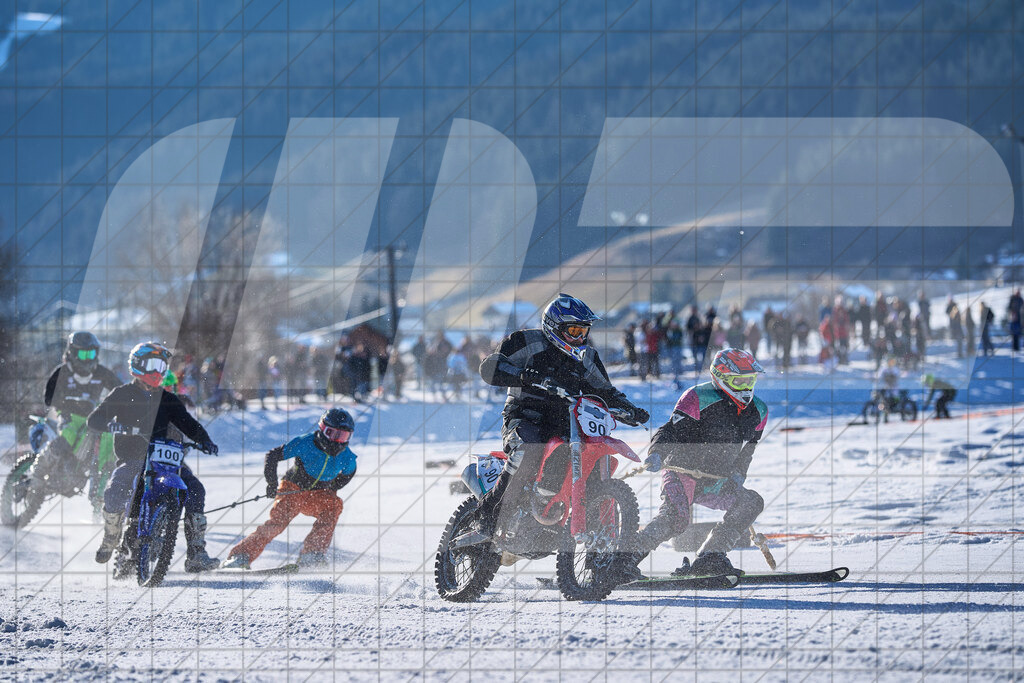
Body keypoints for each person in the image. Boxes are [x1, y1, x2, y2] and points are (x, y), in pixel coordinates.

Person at [469, 293, 649, 541]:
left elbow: (605, 391)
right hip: (525, 416)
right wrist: (525, 376)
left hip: (568, 422)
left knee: (593, 462)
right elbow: (490, 367)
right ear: (554, 326)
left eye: (583, 331)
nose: (580, 338)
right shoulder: (526, 340)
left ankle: (605, 553)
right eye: (574, 331)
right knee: (528, 450)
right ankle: (487, 517)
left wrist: (629, 408)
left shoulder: (588, 357)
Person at [613, 348, 768, 581]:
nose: (746, 387)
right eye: (739, 381)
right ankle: (622, 562)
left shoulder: (759, 411)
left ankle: (711, 557)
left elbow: (748, 451)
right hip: (681, 471)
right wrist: (656, 453)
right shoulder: (697, 397)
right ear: (721, 377)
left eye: (750, 380)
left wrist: (738, 475)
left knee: (751, 502)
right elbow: (670, 430)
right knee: (676, 518)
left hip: (718, 480)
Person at [89, 342, 220, 572]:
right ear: (137, 365)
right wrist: (115, 426)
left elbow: (188, 423)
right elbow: (95, 420)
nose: (158, 371)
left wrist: (205, 440)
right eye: (152, 364)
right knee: (116, 487)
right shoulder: (122, 394)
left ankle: (197, 552)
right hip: (135, 458)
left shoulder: (167, 399)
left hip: (166, 459)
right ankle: (111, 538)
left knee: (195, 489)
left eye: (162, 366)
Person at [222, 408, 357, 569]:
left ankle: (312, 554)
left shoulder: (347, 456)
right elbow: (273, 456)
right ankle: (240, 556)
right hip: (293, 488)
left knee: (334, 505)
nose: (337, 441)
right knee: (278, 523)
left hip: (317, 495)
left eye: (343, 436)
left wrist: (332, 488)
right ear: (322, 429)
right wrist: (272, 484)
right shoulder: (305, 442)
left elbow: (349, 473)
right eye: (333, 434)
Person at [33, 332, 121, 514]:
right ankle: (39, 468)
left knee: (109, 444)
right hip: (69, 416)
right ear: (72, 352)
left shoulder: (101, 372)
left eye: (92, 353)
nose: (88, 358)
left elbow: (121, 390)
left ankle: (103, 497)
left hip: (94, 419)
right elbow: (49, 397)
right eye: (83, 354)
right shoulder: (63, 372)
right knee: (68, 436)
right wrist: (66, 403)